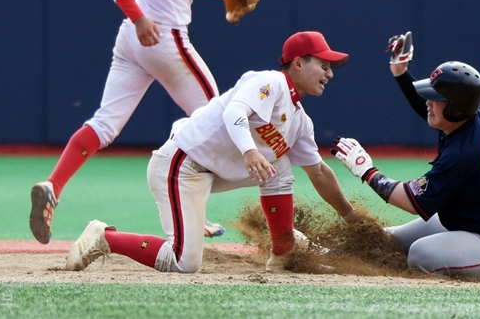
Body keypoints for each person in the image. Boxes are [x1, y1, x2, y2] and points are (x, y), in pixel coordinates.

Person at [29, 0, 251, 245]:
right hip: (161, 37)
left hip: (134, 42)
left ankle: (52, 187)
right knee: (218, 118)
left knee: (104, 123)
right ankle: (185, 217)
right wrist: (139, 16)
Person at [64, 31, 359, 273]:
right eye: (324, 65)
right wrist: (249, 151)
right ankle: (104, 237)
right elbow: (234, 111)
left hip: (210, 172)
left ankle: (282, 252)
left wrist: (352, 219)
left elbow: (319, 172)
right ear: (298, 63)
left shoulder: (299, 120)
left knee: (279, 164)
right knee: (183, 262)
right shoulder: (270, 82)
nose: (329, 73)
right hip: (181, 165)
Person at [331, 31, 480, 281]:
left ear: (456, 108)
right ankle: (323, 257)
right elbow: (426, 107)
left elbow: (410, 201)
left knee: (420, 255)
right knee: (386, 241)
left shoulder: (464, 152)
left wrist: (367, 171)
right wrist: (401, 72)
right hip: (471, 223)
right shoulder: (465, 119)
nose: (428, 102)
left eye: (435, 98)